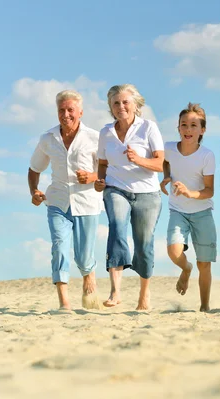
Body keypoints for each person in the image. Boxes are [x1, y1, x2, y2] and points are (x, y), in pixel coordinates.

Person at [28, 90, 102, 311]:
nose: (66, 114)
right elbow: (34, 169)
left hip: (87, 202)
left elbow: (108, 170)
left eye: (71, 110)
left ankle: (89, 274)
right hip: (57, 202)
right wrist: (34, 191)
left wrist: (92, 176)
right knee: (59, 246)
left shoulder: (94, 138)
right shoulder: (48, 139)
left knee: (83, 255)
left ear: (80, 111)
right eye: (62, 110)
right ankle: (64, 302)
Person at [95, 84, 164, 310]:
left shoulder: (148, 128)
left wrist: (138, 160)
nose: (121, 106)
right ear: (110, 107)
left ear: (135, 105)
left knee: (143, 244)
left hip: (147, 193)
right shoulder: (106, 132)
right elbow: (103, 163)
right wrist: (100, 180)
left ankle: (144, 293)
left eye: (125, 102)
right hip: (116, 189)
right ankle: (115, 291)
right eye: (116, 103)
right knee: (116, 226)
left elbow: (159, 164)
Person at [160, 103, 216, 312]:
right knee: (174, 252)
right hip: (178, 211)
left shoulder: (207, 155)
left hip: (202, 212)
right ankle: (186, 268)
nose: (188, 129)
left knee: (204, 263)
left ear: (202, 130)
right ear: (178, 128)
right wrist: (166, 176)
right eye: (184, 125)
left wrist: (190, 193)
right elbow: (165, 162)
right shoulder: (169, 148)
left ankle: (204, 306)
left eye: (194, 125)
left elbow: (209, 190)